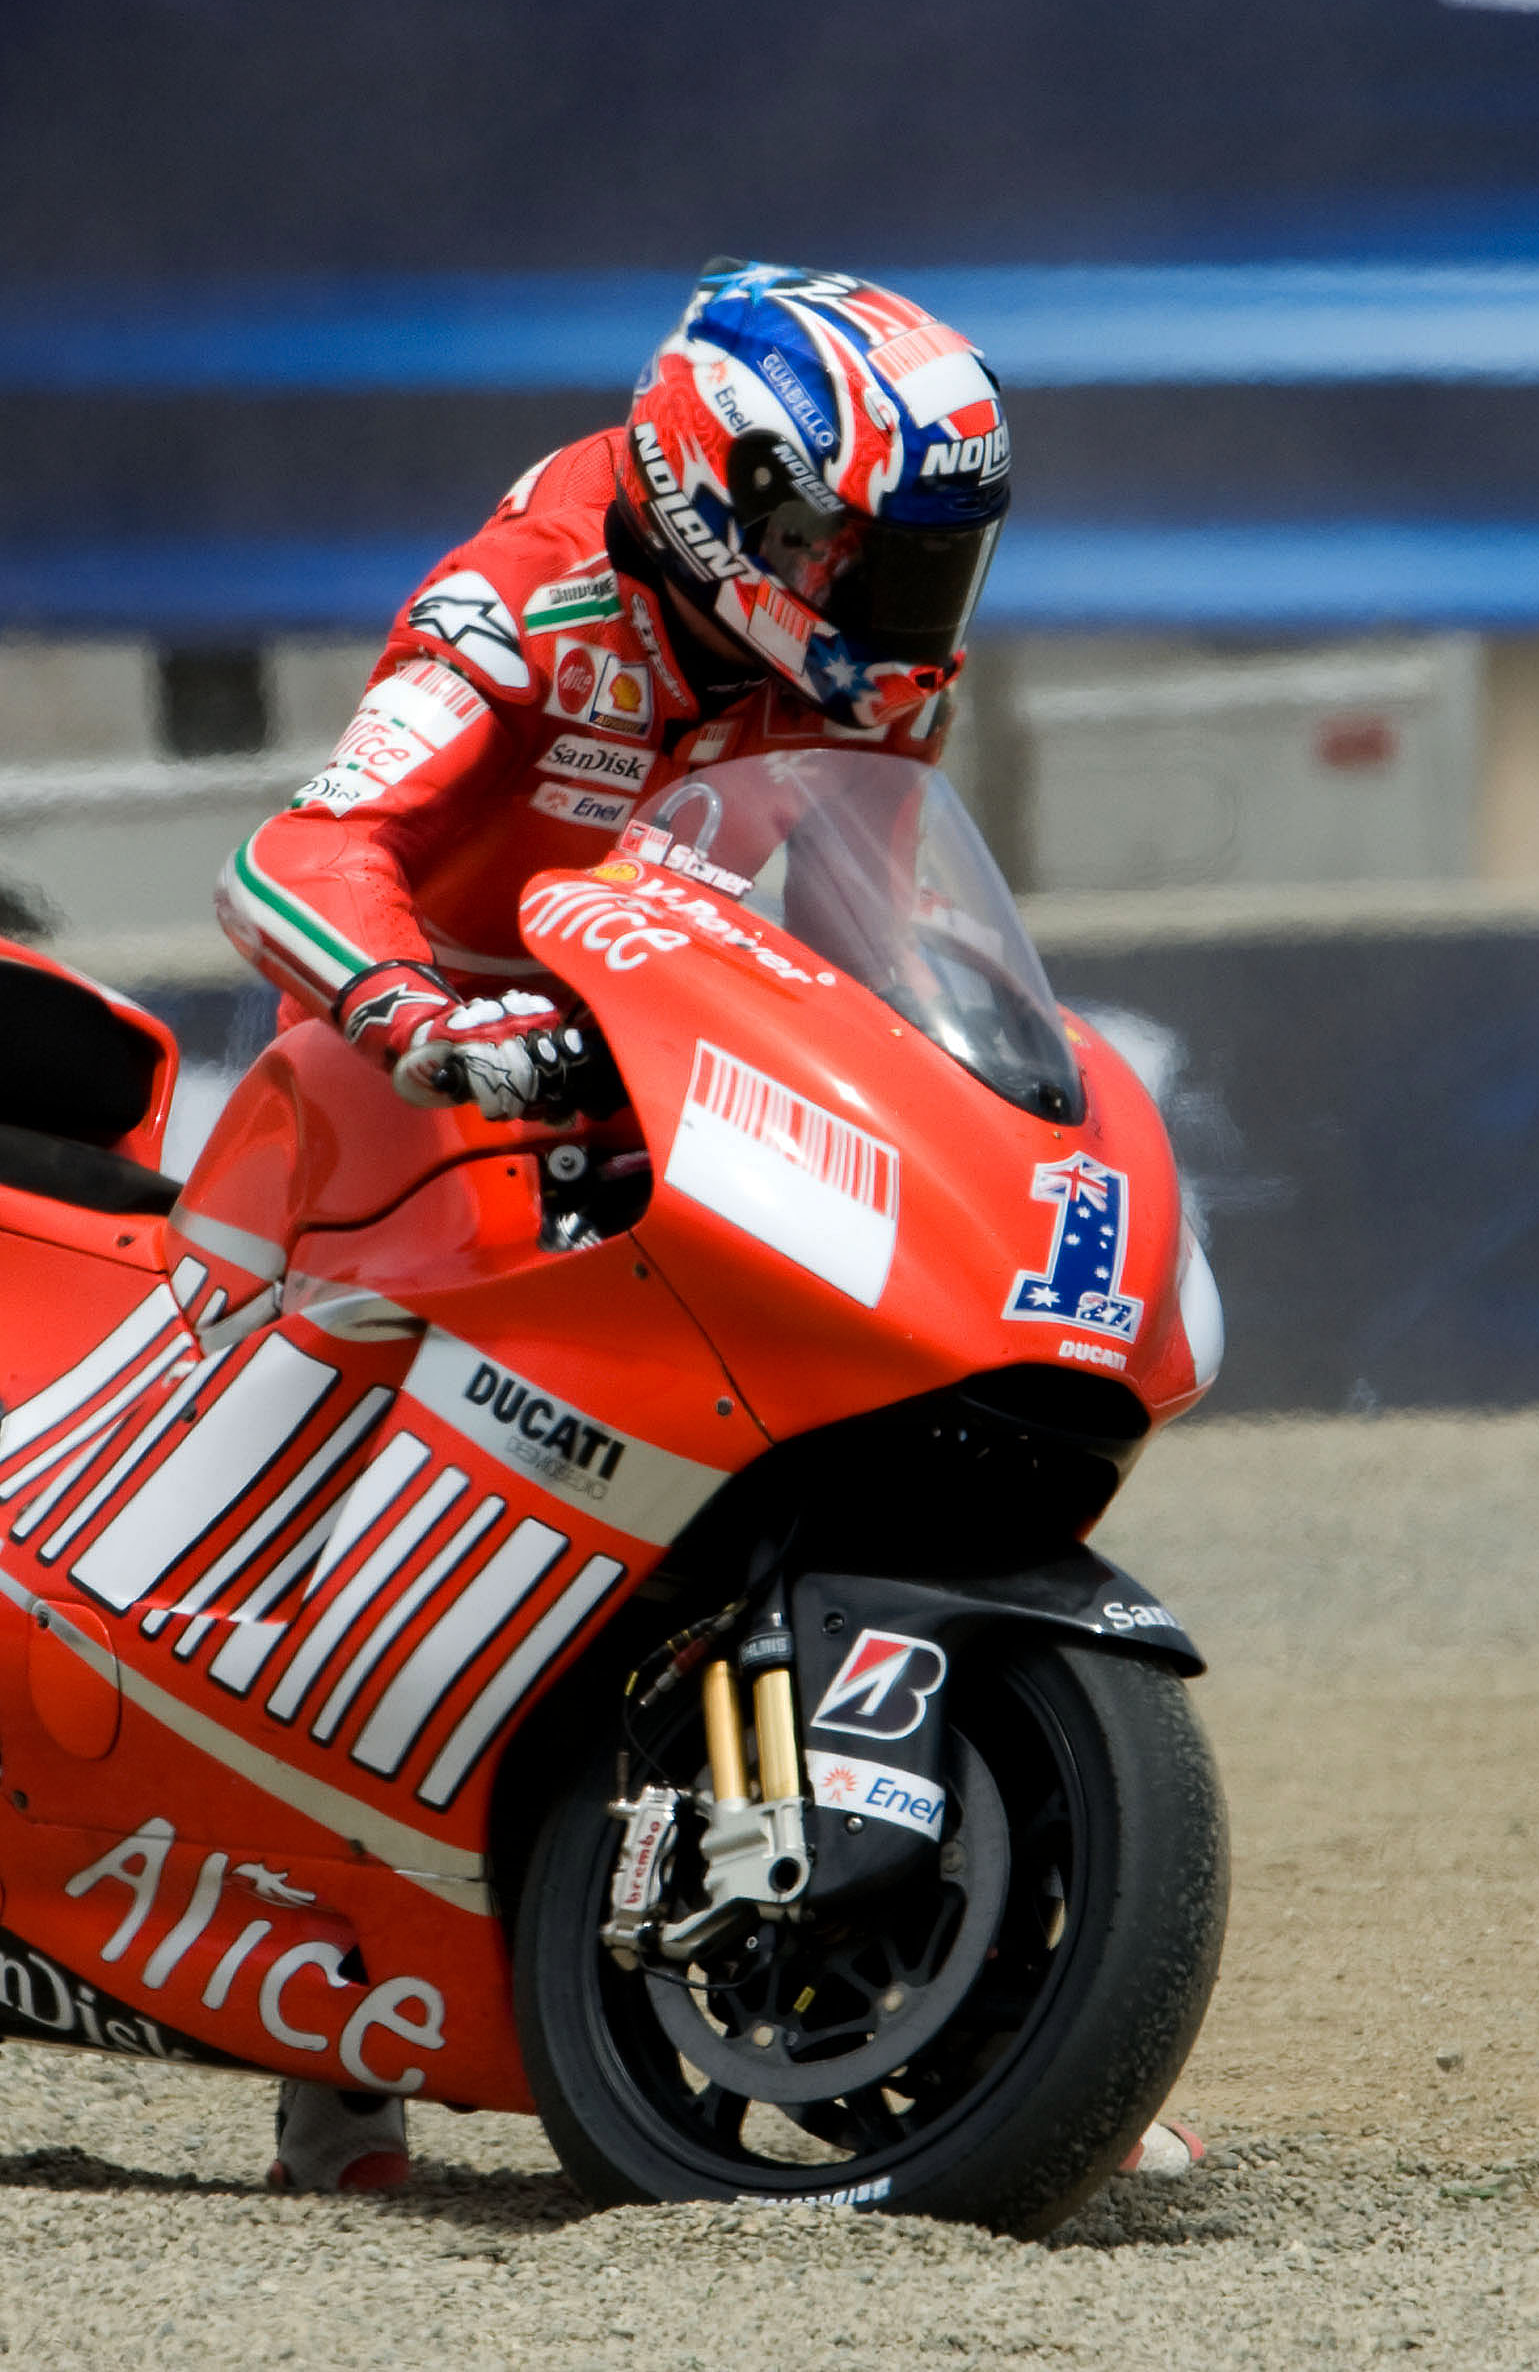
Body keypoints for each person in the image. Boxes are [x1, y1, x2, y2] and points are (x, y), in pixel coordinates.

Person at [216, 258, 1012, 2186]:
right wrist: (413, 1016)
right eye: (878, 559)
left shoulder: (856, 691)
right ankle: (329, 2034)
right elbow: (304, 850)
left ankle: (999, 2028)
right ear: (736, 500)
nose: (915, 617)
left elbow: (869, 937)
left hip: (663, 1101)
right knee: (305, 1496)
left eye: (939, 566)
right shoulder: (528, 603)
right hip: (410, 1093)